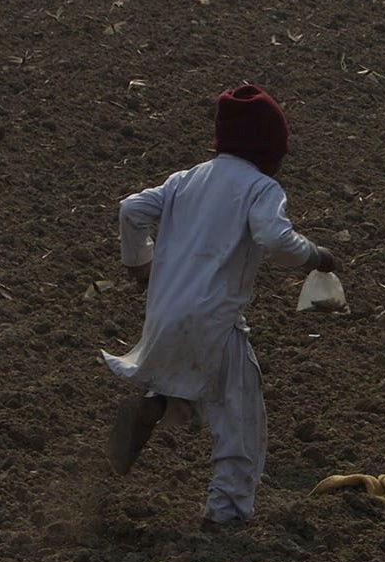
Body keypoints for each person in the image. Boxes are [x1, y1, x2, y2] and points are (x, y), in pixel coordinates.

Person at [103, 84, 340, 526]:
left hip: (164, 315)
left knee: (196, 375)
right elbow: (274, 238)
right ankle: (226, 514)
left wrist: (140, 266)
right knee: (240, 416)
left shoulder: (186, 180)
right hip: (216, 321)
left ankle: (154, 406)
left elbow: (130, 210)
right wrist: (315, 255)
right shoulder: (260, 188)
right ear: (267, 151)